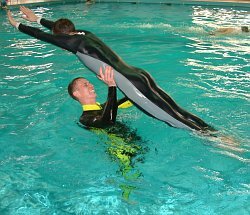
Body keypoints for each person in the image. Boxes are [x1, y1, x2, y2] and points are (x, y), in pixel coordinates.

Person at [7, 6, 215, 132]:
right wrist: (39, 19)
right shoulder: (85, 34)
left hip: (130, 84)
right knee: (176, 110)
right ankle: (212, 132)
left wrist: (18, 25)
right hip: (140, 74)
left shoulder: (73, 44)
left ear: (62, 36)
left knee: (172, 119)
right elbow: (58, 31)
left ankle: (214, 141)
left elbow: (44, 36)